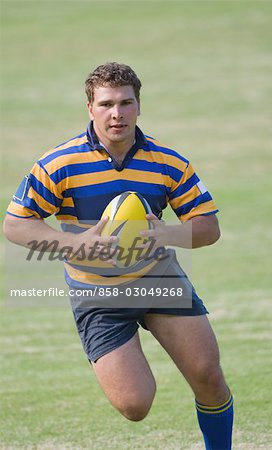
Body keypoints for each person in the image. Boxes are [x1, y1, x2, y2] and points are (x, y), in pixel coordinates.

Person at [3, 62, 234, 449]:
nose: (117, 113)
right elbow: (15, 225)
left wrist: (168, 232)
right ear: (90, 108)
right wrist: (76, 244)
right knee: (135, 404)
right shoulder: (60, 163)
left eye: (126, 103)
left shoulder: (166, 162)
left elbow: (209, 226)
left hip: (158, 280)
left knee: (208, 376)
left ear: (138, 106)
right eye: (107, 103)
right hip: (98, 295)